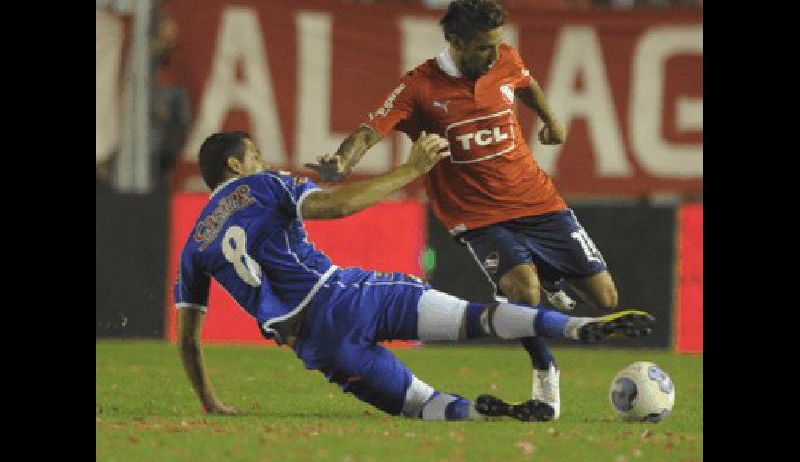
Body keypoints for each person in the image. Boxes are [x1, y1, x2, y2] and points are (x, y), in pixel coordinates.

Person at [175, 131, 654, 421]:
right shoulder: (262, 184)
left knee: (422, 408)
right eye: (253, 155)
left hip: (316, 345)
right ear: (235, 164)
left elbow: (188, 340)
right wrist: (411, 169)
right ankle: (577, 327)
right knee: (479, 319)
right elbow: (336, 205)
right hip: (349, 296)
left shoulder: (195, 243)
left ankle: (493, 416)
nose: (262, 161)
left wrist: (210, 402)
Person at [306, 0, 621, 420]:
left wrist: (550, 118)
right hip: (478, 216)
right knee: (523, 291)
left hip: (538, 199)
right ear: (455, 41)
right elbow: (368, 130)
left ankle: (546, 272)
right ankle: (546, 376)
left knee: (605, 298)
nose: (493, 55)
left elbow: (525, 83)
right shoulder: (419, 87)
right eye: (482, 47)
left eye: (496, 44)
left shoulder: (505, 58)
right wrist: (343, 160)